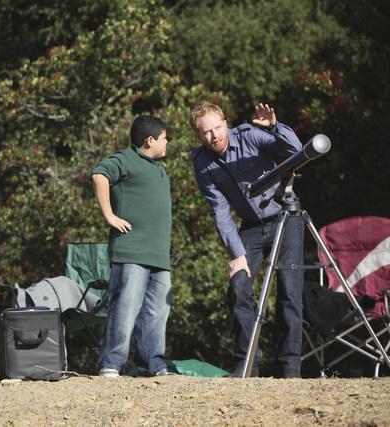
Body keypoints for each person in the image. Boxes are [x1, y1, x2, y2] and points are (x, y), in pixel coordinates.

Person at [190, 102, 304, 378]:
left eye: (218, 127)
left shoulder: (249, 135)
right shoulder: (202, 162)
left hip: (285, 218)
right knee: (238, 286)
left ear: (225, 122)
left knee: (289, 291)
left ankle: (289, 368)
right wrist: (237, 254)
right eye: (206, 132)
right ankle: (248, 365)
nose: (214, 136)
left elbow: (295, 153)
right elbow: (220, 212)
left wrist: (275, 128)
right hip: (250, 227)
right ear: (198, 135)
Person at [92, 115, 173, 378]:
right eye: (164, 138)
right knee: (125, 309)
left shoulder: (157, 167)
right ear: (150, 141)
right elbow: (100, 175)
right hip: (132, 253)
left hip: (159, 257)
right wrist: (109, 215)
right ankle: (111, 364)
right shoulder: (126, 159)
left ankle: (153, 364)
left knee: (157, 313)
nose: (167, 142)